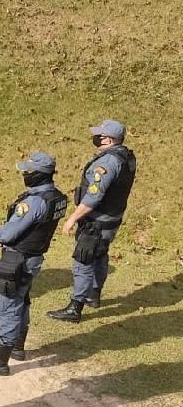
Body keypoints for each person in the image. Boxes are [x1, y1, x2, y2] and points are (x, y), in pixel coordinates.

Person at [0, 152, 67, 375]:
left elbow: (9, 232)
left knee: (8, 306)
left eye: (28, 171)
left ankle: (0, 359)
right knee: (22, 300)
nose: (25, 174)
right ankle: (17, 346)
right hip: (33, 257)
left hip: (17, 258)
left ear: (40, 174)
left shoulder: (34, 202)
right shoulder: (57, 197)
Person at [47, 120, 137, 323]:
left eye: (100, 135)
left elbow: (93, 197)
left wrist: (72, 219)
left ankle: (75, 307)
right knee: (100, 255)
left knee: (84, 259)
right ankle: (93, 295)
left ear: (109, 139)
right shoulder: (126, 156)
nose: (96, 137)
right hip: (112, 218)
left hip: (96, 222)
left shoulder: (106, 164)